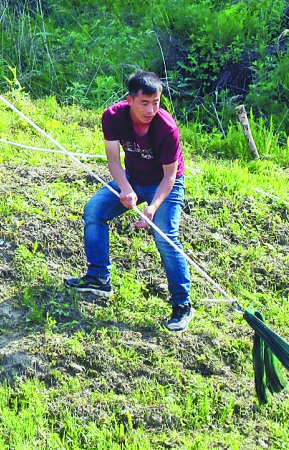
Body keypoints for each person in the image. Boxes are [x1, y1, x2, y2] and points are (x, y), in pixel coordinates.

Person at [65, 72, 193, 332]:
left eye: (156, 102)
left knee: (165, 236)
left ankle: (182, 304)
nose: (151, 109)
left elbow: (170, 176)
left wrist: (152, 208)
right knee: (94, 210)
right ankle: (99, 276)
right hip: (133, 178)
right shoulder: (113, 116)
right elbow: (113, 159)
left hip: (164, 185)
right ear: (130, 100)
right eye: (145, 102)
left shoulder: (167, 129)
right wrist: (125, 189)